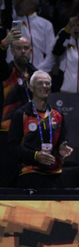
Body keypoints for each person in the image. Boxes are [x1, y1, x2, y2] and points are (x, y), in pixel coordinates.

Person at [7, 71, 74, 188]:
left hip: (54, 176)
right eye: (40, 83)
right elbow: (12, 147)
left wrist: (62, 149)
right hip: (30, 175)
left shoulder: (58, 115)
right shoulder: (21, 114)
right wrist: (35, 156)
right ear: (31, 87)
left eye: (47, 83)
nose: (44, 86)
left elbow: (62, 143)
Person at [0, 30, 37, 187]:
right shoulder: (5, 71)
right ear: (12, 51)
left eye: (26, 48)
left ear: (30, 50)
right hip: (7, 134)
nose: (23, 51)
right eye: (19, 48)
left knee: (28, 178)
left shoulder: (35, 75)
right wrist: (3, 44)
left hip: (30, 134)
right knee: (7, 179)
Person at [9, 0, 56, 72]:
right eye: (15, 1)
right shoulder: (11, 23)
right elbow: (9, 51)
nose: (17, 4)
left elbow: (51, 53)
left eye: (21, 1)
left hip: (39, 73)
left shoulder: (45, 24)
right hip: (15, 74)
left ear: (32, 5)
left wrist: (40, 71)